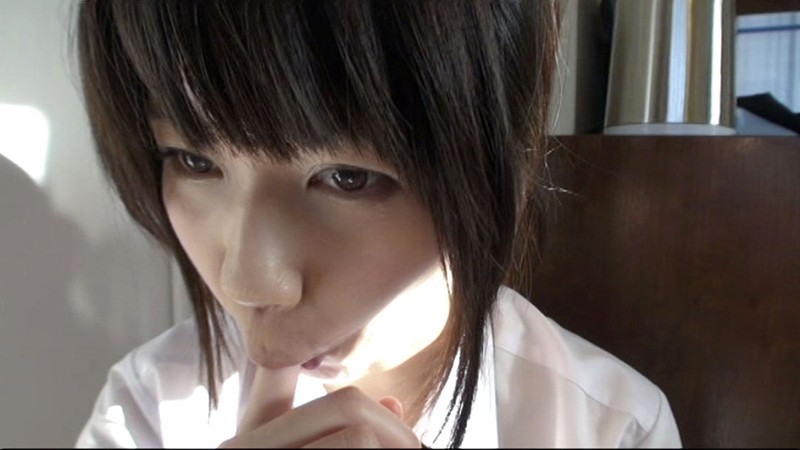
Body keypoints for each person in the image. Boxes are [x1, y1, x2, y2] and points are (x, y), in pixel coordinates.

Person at [74, 1, 681, 448]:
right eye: (194, 161)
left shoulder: (612, 428)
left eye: (347, 177)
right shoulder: (148, 408)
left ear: (509, 175)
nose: (249, 283)